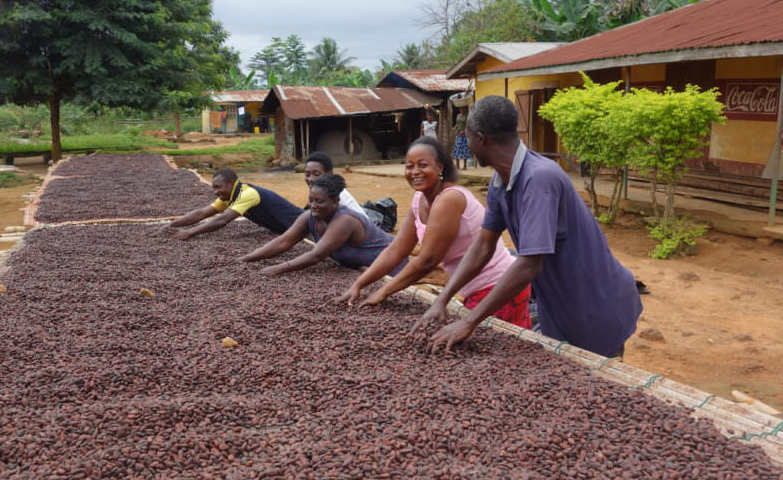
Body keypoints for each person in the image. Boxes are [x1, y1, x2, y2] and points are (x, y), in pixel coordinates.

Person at [415, 95, 642, 358]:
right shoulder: (501, 182)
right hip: (559, 305)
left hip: (595, 304)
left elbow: (530, 263)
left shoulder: (539, 180)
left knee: (599, 378)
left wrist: (468, 322)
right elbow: (483, 245)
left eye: (465, 137)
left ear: (480, 138)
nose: (465, 144)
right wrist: (444, 298)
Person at [337, 137, 531, 328]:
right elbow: (397, 249)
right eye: (409, 166)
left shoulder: (450, 198)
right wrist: (359, 285)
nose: (415, 172)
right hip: (471, 289)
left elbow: (427, 260)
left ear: (440, 168)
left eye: (423, 165)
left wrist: (384, 291)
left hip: (496, 287)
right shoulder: (419, 199)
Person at [241, 174, 405, 277]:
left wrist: (276, 269)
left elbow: (316, 255)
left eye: (320, 201)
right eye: (311, 200)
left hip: (392, 266)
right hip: (362, 268)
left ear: (335, 201)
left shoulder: (345, 220)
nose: (313, 205)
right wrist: (246, 259)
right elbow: (284, 241)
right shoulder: (310, 216)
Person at [168, 167, 302, 240]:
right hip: (287, 229)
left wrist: (189, 233)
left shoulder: (248, 193)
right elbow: (202, 213)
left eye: (218, 187)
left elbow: (222, 220)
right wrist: (172, 225)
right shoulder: (230, 196)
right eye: (214, 188)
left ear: (231, 184)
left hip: (304, 226)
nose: (215, 192)